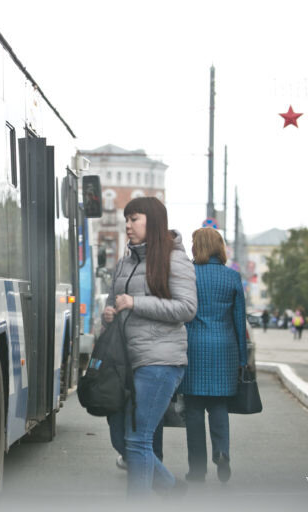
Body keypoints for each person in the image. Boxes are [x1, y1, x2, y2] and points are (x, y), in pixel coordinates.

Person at [102, 197, 197, 496]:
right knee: (122, 438)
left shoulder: (174, 259)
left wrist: (135, 303)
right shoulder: (125, 261)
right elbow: (113, 302)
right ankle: (170, 489)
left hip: (159, 360)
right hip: (125, 362)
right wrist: (109, 313)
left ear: (153, 222)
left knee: (139, 439)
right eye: (126, 219)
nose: (128, 226)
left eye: (135, 219)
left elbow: (186, 308)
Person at [179, 227, 247, 484]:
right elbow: (239, 321)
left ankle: (196, 471)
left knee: (194, 410)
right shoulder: (232, 278)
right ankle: (221, 451)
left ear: (196, 248)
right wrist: (242, 360)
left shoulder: (188, 276)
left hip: (193, 347)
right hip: (224, 349)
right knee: (219, 407)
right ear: (220, 247)